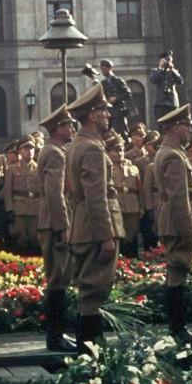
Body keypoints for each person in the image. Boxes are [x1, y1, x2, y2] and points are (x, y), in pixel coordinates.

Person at [65, 84, 125, 351]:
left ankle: (87, 354)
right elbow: (96, 196)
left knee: (89, 292)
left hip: (84, 225)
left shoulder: (82, 144)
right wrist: (106, 237)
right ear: (91, 115)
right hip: (94, 229)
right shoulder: (91, 148)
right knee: (94, 292)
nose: (107, 115)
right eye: (102, 110)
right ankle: (91, 355)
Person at [154, 104, 192, 341]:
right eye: (186, 126)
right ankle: (178, 329)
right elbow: (178, 198)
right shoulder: (173, 155)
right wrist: (188, 231)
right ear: (175, 128)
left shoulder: (169, 151)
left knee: (176, 274)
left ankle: (177, 328)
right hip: (178, 222)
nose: (189, 131)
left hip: (172, 220)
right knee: (178, 275)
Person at [36, 104, 77, 352]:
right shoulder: (55, 153)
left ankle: (57, 335)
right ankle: (55, 337)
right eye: (69, 125)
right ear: (59, 128)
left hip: (52, 221)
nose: (72, 128)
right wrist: (63, 226)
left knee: (59, 278)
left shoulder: (55, 150)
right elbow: (55, 193)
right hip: (54, 222)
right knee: (58, 279)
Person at [107, 134, 143, 258]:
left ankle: (133, 264)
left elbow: (139, 189)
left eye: (121, 150)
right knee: (118, 239)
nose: (120, 153)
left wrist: (141, 206)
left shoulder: (133, 167)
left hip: (132, 207)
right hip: (116, 208)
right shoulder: (106, 168)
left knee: (132, 239)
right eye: (115, 151)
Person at [7, 137, 42, 254]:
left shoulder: (39, 168)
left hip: (35, 209)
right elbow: (8, 191)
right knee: (21, 240)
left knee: (35, 239)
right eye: (26, 149)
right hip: (19, 209)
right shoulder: (12, 169)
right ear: (20, 151)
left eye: (32, 148)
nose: (29, 151)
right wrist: (10, 210)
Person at [99, 59, 134, 137]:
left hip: (118, 110)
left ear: (109, 69)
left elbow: (127, 92)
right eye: (102, 69)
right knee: (107, 133)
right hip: (108, 111)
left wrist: (116, 98)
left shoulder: (118, 81)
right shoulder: (103, 83)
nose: (103, 71)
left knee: (122, 131)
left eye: (104, 69)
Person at [150, 51, 184, 122]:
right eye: (165, 61)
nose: (167, 63)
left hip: (172, 102)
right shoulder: (156, 71)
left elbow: (180, 81)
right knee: (161, 123)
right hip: (160, 103)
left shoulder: (174, 72)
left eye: (169, 61)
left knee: (173, 123)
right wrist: (160, 68)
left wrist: (172, 69)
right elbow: (153, 80)